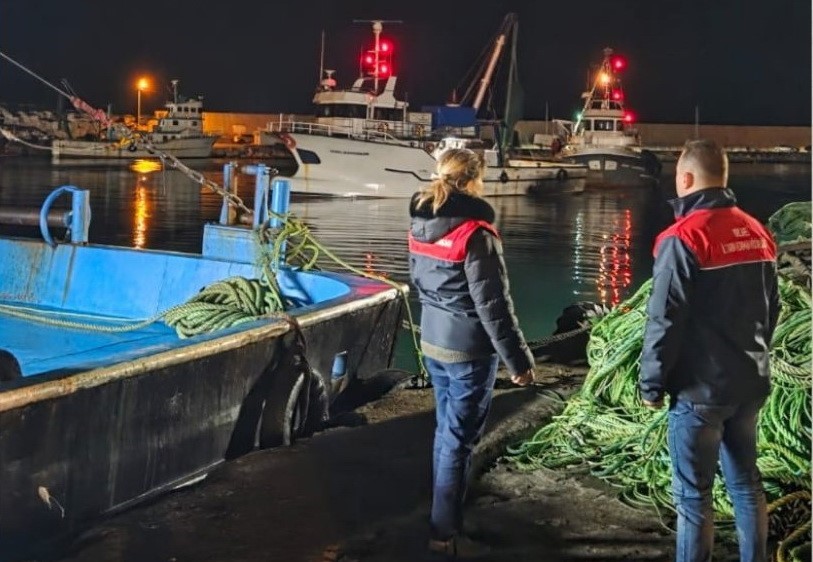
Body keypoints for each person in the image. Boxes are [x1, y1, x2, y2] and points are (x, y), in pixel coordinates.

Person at [639, 139, 779, 562]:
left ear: (685, 179)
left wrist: (651, 384)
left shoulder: (683, 238)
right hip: (749, 382)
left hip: (700, 392)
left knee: (693, 497)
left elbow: (664, 320)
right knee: (746, 486)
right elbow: (772, 310)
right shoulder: (757, 231)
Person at [408, 148, 535, 558]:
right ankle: (443, 534)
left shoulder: (419, 225)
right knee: (458, 440)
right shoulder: (476, 234)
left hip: (432, 341)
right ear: (474, 181)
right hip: (468, 352)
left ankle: (445, 518)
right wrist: (519, 362)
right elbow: (494, 306)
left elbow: (418, 283)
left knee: (446, 433)